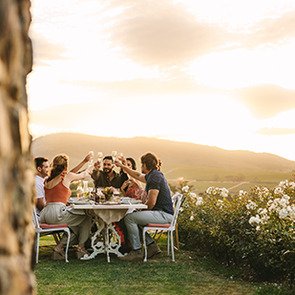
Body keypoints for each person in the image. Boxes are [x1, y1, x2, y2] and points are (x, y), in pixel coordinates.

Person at [115, 152, 174, 261]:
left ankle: (136, 251)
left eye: (142, 164)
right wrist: (123, 166)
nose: (141, 166)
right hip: (161, 213)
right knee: (134, 217)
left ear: (146, 165)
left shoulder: (155, 177)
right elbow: (137, 175)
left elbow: (151, 202)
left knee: (129, 218)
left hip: (163, 214)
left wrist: (140, 210)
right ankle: (152, 246)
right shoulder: (153, 175)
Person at [40, 154, 93, 260]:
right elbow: (83, 175)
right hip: (57, 213)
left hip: (45, 213)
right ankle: (81, 248)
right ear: (65, 166)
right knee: (87, 218)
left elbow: (71, 173)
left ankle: (59, 249)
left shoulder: (47, 179)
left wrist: (83, 161)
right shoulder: (66, 177)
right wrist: (90, 168)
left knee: (74, 225)